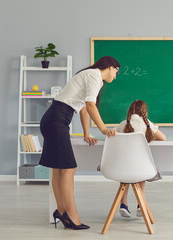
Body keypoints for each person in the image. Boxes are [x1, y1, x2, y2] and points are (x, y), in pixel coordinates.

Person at [39, 56, 120, 230]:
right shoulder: (95, 76)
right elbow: (90, 106)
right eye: (116, 71)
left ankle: (61, 211)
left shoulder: (91, 75)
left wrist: (86, 133)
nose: (116, 75)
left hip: (54, 119)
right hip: (57, 120)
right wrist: (104, 129)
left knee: (59, 169)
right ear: (110, 67)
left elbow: (83, 108)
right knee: (68, 168)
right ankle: (72, 216)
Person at [115, 100, 166, 218]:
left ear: (129, 111)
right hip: (141, 168)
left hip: (122, 168)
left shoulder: (123, 124)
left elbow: (113, 136)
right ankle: (140, 204)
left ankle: (123, 204)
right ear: (145, 112)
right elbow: (163, 137)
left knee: (126, 170)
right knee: (141, 168)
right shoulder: (147, 124)